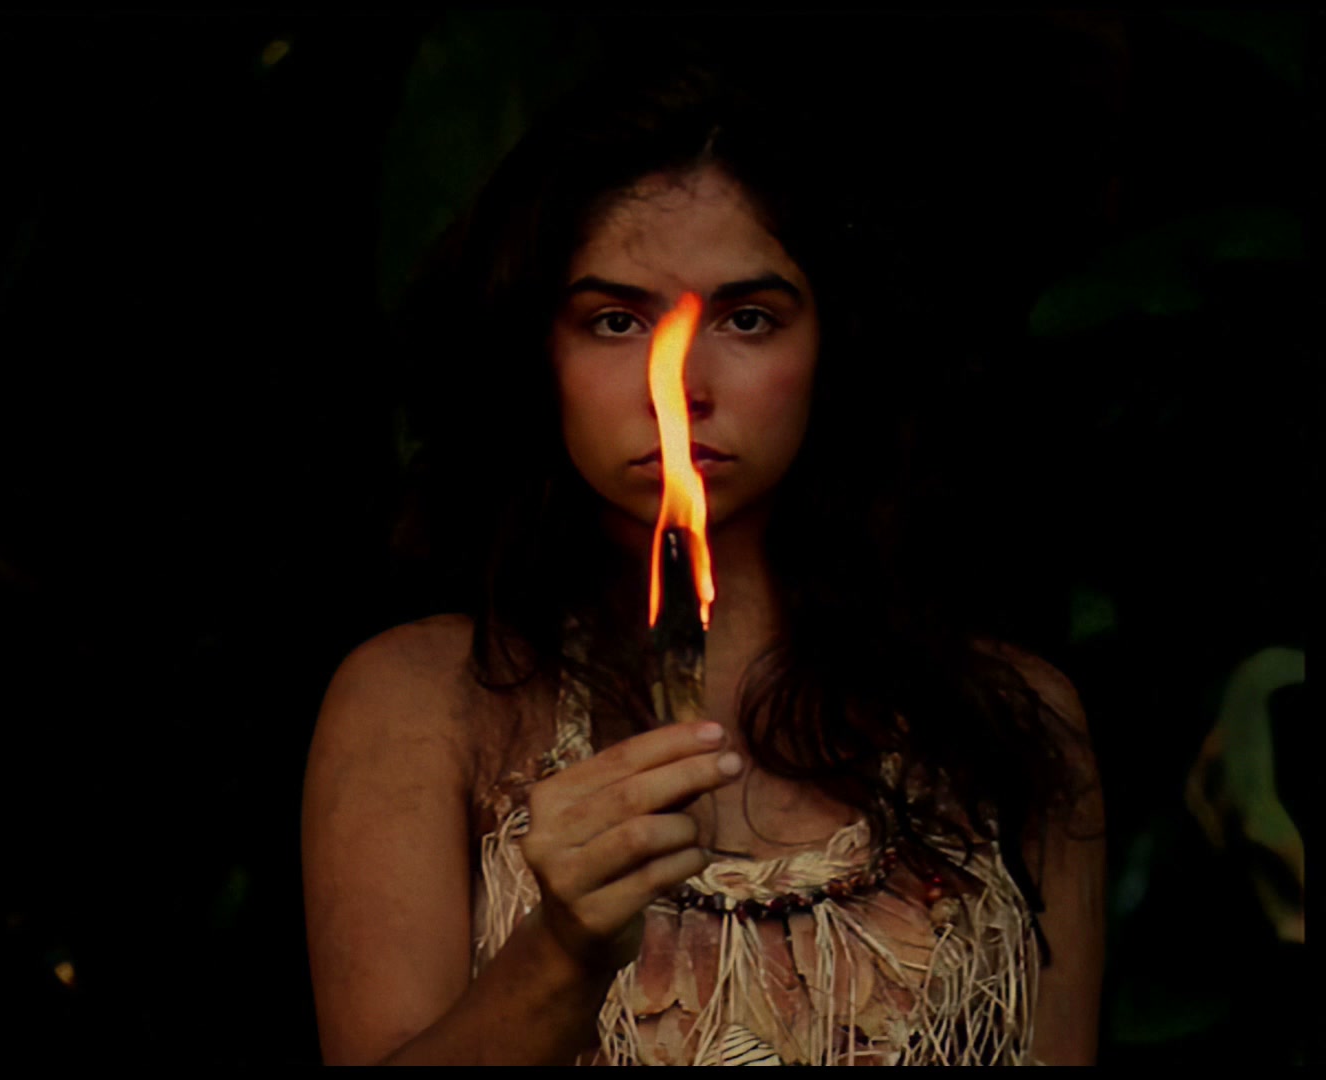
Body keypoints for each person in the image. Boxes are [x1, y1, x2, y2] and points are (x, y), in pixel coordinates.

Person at [301, 61, 1105, 1066]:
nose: (679, 385)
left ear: (835, 343)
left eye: (748, 318)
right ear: (534, 352)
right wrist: (559, 954)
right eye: (616, 321)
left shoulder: (1012, 723)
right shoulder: (421, 704)